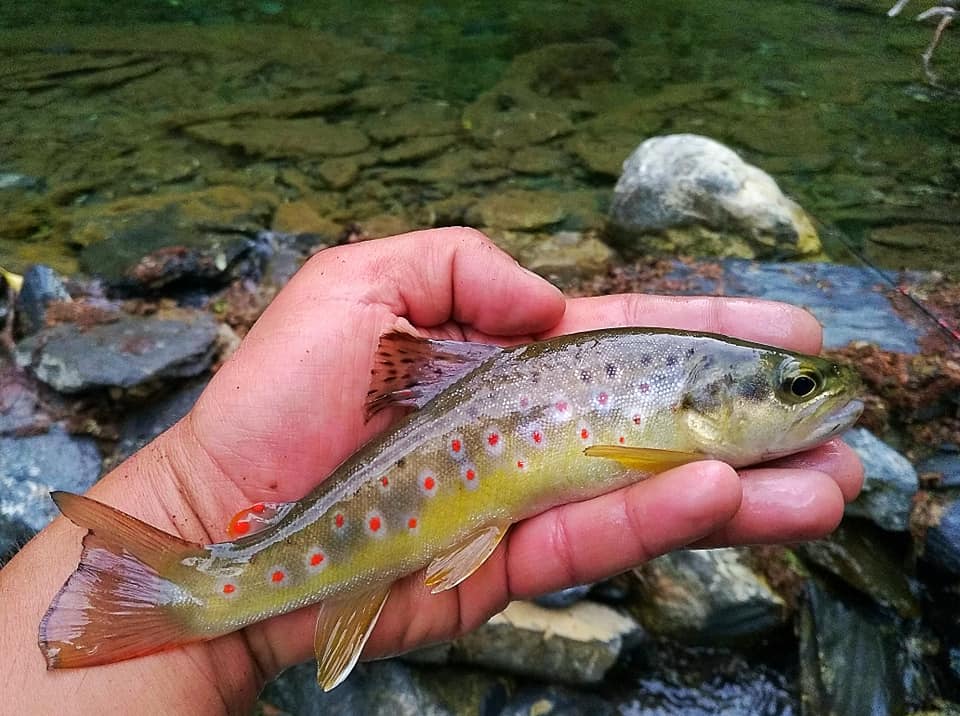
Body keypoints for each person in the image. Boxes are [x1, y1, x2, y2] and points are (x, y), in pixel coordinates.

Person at [0, 228, 863, 714]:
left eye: (800, 386)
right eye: (796, 389)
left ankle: (196, 590)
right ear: (707, 405)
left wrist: (183, 492)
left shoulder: (680, 413)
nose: (814, 397)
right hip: (341, 510)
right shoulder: (672, 425)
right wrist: (193, 492)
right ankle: (192, 591)